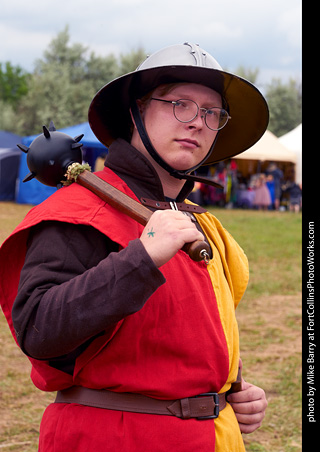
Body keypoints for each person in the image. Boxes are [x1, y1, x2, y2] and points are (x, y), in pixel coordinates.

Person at [0, 43, 269, 451]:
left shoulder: (200, 221)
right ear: (137, 111)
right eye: (180, 103)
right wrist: (142, 258)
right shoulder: (81, 210)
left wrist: (229, 392)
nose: (197, 122)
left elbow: (189, 335)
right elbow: (39, 329)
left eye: (212, 112)